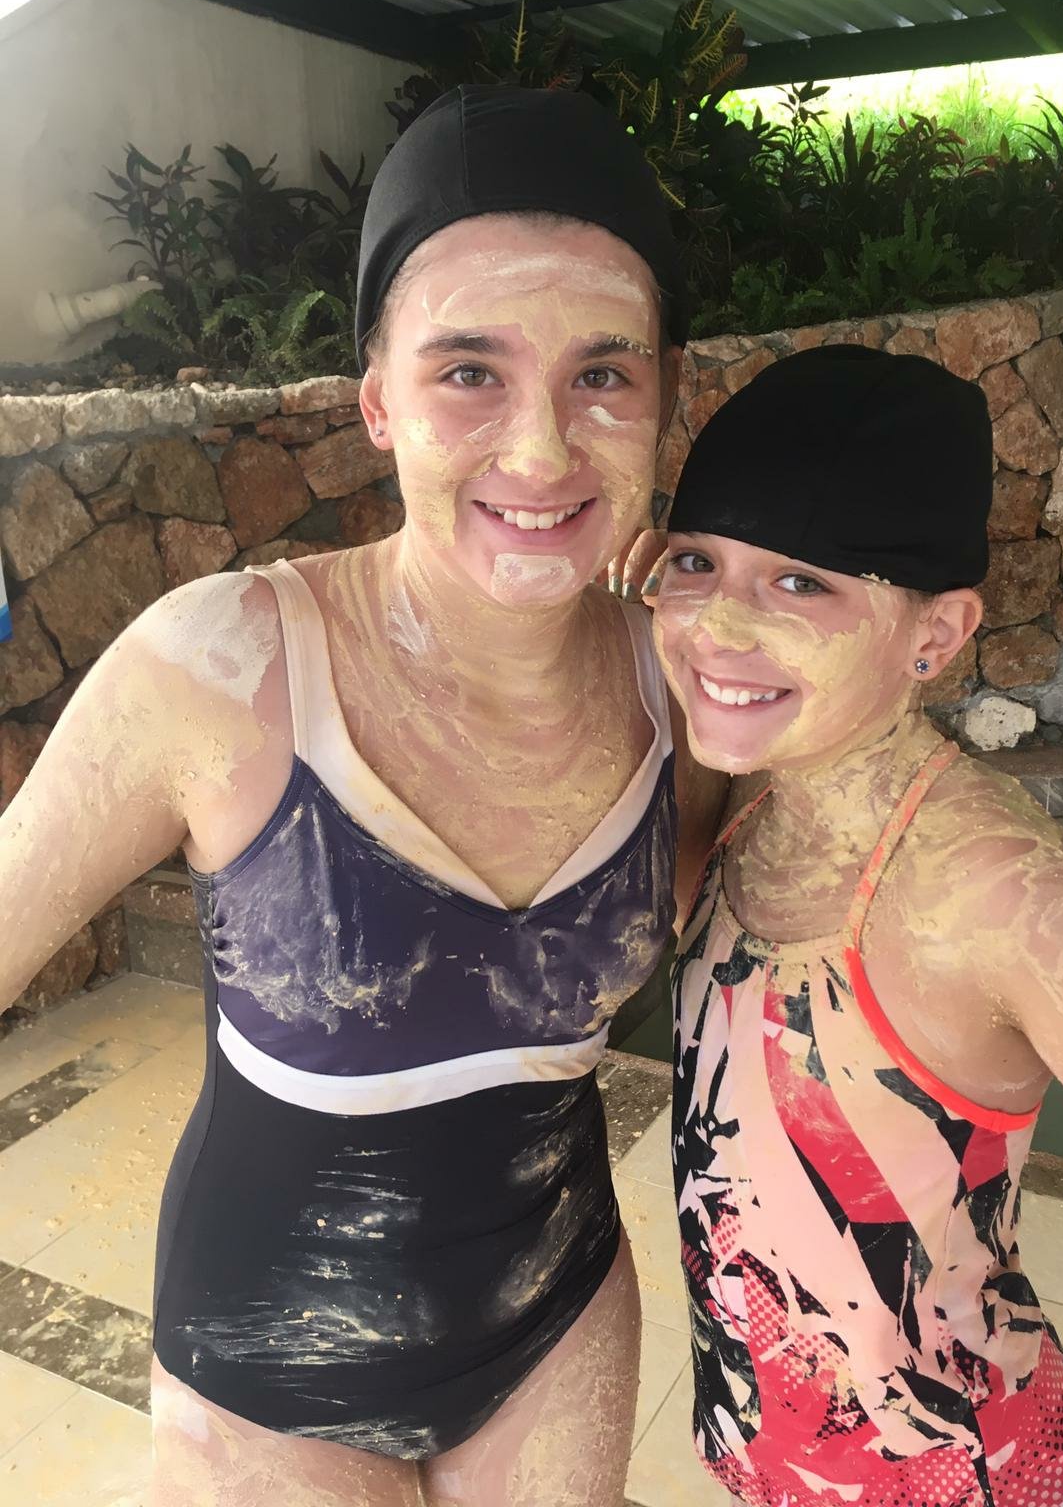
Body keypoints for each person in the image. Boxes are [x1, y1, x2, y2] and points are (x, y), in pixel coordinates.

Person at [0, 85, 724, 1507]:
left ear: (666, 395)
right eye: (469, 372)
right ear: (377, 399)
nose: (540, 449)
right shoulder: (225, 671)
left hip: (558, 1321)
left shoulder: (685, 689)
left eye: (602, 372)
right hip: (264, 1379)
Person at [652, 345, 1063, 1507]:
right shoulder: (750, 793)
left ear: (937, 635)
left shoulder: (1000, 896)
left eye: (801, 584)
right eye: (695, 561)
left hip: (988, 1479)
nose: (716, 625)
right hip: (778, 1463)